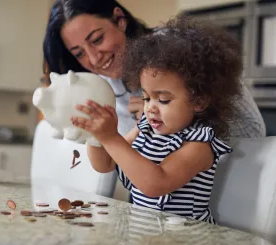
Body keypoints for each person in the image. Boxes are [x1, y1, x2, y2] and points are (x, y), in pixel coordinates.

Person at [70, 15, 243, 224]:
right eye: (146, 97)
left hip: (189, 237)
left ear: (199, 101)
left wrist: (111, 138)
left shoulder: (198, 145)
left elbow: (156, 183)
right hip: (145, 233)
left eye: (163, 99)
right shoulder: (144, 130)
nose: (150, 107)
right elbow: (104, 164)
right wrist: (96, 136)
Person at [43, 0, 266, 139]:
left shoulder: (173, 49)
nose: (93, 57)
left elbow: (252, 131)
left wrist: (173, 120)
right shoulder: (106, 85)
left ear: (120, 19)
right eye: (79, 53)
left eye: (97, 39)